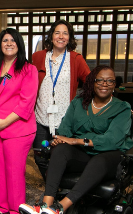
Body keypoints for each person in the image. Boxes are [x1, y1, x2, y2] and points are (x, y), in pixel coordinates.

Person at [19, 66, 133, 214]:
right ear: (93, 82)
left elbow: (112, 139)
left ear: (114, 85)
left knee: (98, 160)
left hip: (110, 157)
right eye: (100, 80)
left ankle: (60, 208)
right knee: (60, 150)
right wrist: (62, 139)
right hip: (84, 154)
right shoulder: (79, 102)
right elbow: (65, 128)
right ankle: (46, 205)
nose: (104, 84)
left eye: (110, 81)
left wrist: (78, 141)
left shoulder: (122, 108)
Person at [0, 29, 38, 214]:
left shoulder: (28, 69)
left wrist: (4, 122)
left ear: (19, 44)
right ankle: (4, 205)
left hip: (17, 128)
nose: (9, 43)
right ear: (0, 44)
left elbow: (26, 102)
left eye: (13, 40)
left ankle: (16, 209)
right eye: (5, 40)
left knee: (14, 169)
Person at [31, 19, 91, 150]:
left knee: (59, 156)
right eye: (57, 32)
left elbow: (91, 83)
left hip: (64, 120)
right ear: (51, 36)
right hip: (40, 118)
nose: (61, 36)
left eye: (65, 33)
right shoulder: (38, 57)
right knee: (39, 154)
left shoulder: (76, 59)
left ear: (69, 38)